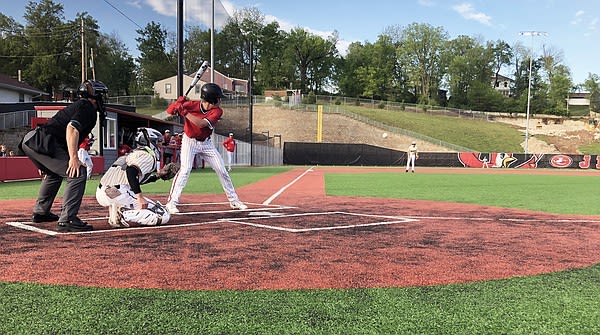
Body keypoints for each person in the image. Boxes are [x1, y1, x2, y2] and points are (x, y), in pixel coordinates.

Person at [19, 79, 108, 232]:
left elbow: (62, 136)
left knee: (54, 174)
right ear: (96, 96)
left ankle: (41, 212)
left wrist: (43, 163)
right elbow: (72, 129)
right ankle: (68, 219)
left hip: (32, 140)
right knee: (78, 172)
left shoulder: (80, 105)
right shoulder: (87, 108)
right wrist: (74, 158)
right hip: (43, 142)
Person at [164, 83, 247, 214]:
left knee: (222, 170)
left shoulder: (217, 111)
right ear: (211, 99)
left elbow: (201, 124)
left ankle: (234, 200)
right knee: (185, 170)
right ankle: (171, 203)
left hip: (206, 144)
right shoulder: (191, 105)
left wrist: (184, 111)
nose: (220, 101)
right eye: (218, 98)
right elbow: (169, 112)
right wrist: (177, 104)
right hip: (189, 141)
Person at [96, 127, 179, 227]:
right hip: (117, 192)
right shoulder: (147, 155)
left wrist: (157, 176)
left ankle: (119, 212)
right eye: (158, 142)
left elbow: (133, 178)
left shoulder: (134, 153)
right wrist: (139, 197)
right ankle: (122, 214)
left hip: (103, 192)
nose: (160, 145)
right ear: (150, 142)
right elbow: (130, 172)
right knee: (163, 214)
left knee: (153, 208)